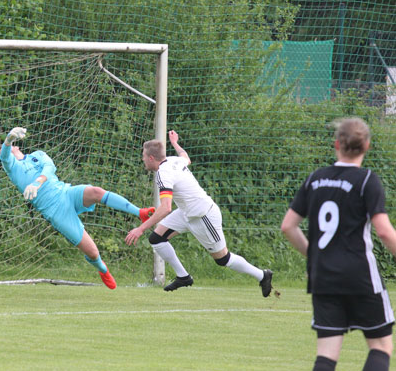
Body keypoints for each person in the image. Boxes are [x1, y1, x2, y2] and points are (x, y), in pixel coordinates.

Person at [280, 117, 396, 371]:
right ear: (367, 146)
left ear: (336, 144)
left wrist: (314, 254)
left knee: (327, 354)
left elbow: (288, 226)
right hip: (360, 275)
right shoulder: (366, 180)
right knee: (380, 346)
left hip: (324, 276)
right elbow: (385, 232)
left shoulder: (315, 179)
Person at [0, 126, 154, 289]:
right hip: (57, 212)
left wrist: (38, 182)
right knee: (93, 252)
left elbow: (50, 168)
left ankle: (139, 212)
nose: (11, 146)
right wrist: (8, 139)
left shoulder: (37, 155)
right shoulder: (11, 167)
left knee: (96, 191)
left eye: (11, 143)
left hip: (66, 192)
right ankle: (102, 269)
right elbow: (4, 156)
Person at [125, 129, 273, 297]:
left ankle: (262, 275)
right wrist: (175, 143)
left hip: (203, 215)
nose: (143, 159)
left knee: (222, 259)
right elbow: (186, 157)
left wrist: (140, 228)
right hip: (187, 212)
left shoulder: (163, 174)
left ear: (151, 158)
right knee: (156, 239)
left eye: (144, 156)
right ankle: (183, 277)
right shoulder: (174, 160)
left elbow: (166, 208)